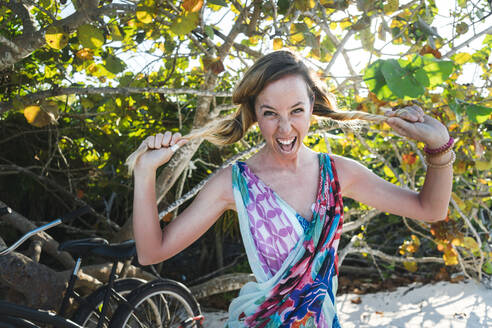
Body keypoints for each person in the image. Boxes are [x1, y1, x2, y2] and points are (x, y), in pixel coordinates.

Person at [128, 50, 454, 327]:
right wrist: (145, 172)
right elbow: (151, 252)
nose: (285, 128)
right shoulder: (234, 183)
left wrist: (439, 149)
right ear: (255, 113)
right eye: (270, 114)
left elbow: (431, 209)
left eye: (296, 110)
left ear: (311, 105)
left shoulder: (338, 173)